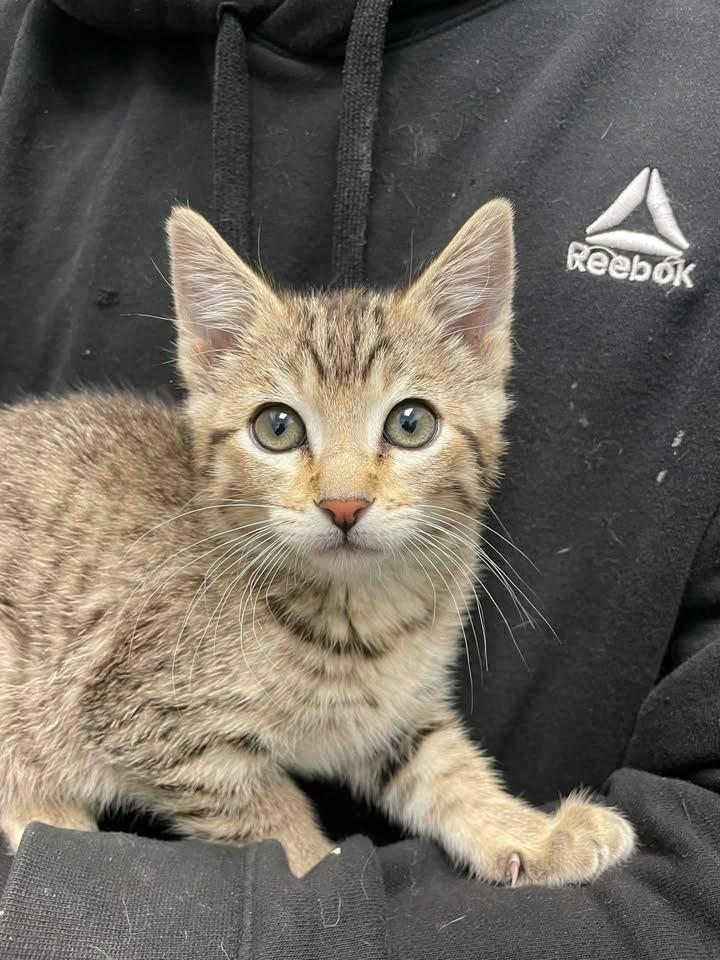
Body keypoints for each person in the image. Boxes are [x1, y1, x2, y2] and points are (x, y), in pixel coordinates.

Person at [1, 0, 719, 956]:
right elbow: (136, 721)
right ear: (208, 358)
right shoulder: (225, 586)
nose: (344, 493)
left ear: (481, 353)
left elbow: (397, 734)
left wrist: (501, 826)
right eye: (280, 427)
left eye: (407, 425)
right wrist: (298, 858)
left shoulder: (434, 571)